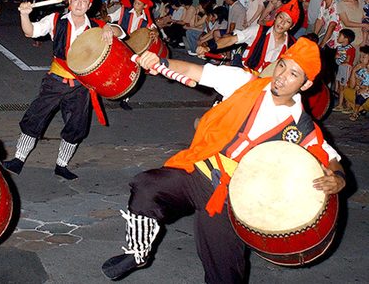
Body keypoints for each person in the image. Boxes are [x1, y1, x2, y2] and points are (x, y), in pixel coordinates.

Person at [101, 38, 345, 282]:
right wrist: (161, 61)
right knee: (146, 186)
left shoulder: (301, 127)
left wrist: (339, 178)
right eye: (282, 65)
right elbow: (195, 71)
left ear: (306, 84)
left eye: (294, 73)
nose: (281, 76)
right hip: (199, 172)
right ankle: (138, 252)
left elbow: (330, 157)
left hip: (230, 200)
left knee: (225, 276)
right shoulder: (245, 83)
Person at [2, 0, 123, 180]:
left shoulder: (96, 26)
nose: (80, 4)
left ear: (89, 5)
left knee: (76, 126)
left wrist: (109, 27)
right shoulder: (56, 20)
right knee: (35, 117)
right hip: (55, 81)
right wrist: (24, 15)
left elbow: (120, 33)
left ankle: (62, 164)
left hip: (82, 85)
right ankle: (18, 158)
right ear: (70, 2)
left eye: (85, 1)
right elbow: (30, 31)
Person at [197, 0, 299, 73]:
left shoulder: (293, 45)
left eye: (288, 21)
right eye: (281, 17)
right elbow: (231, 40)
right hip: (246, 76)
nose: (282, 23)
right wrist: (208, 48)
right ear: (276, 17)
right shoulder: (258, 30)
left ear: (291, 26)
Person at [333, 29, 356, 112]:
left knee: (345, 86)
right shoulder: (339, 48)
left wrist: (339, 58)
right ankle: (340, 105)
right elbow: (337, 57)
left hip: (346, 68)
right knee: (340, 86)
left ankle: (349, 105)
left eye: (339, 36)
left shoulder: (350, 48)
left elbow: (348, 60)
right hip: (341, 68)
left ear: (346, 39)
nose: (337, 37)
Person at [345, 46, 369, 121]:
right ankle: (360, 109)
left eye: (363, 57)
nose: (361, 59)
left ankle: (355, 112)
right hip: (361, 92)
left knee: (363, 93)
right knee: (347, 91)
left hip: (366, 92)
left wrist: (366, 88)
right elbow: (352, 86)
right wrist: (353, 71)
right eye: (360, 57)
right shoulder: (360, 69)